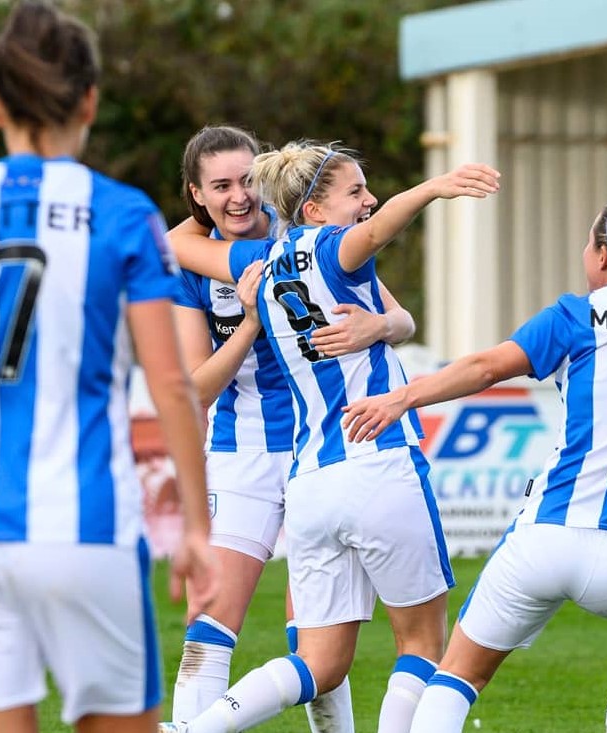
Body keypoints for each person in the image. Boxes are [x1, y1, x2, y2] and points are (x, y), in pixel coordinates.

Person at [0, 3, 218, 732]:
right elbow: (173, 382)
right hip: (87, 529)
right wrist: (197, 528)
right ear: (88, 100)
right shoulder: (122, 213)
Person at [342, 99, 607, 733]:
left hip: (546, 540)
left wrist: (403, 396)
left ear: (604, 258)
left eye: (589, 240)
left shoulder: (574, 316)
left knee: (458, 675)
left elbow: (482, 368)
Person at [160, 141, 501, 732]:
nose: (239, 195)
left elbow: (397, 315)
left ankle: (194, 729)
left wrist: (382, 323)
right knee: (420, 643)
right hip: (363, 453)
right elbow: (374, 234)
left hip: (310, 465)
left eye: (248, 180)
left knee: (317, 656)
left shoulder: (264, 265)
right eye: (220, 186)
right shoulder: (327, 250)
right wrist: (432, 188)